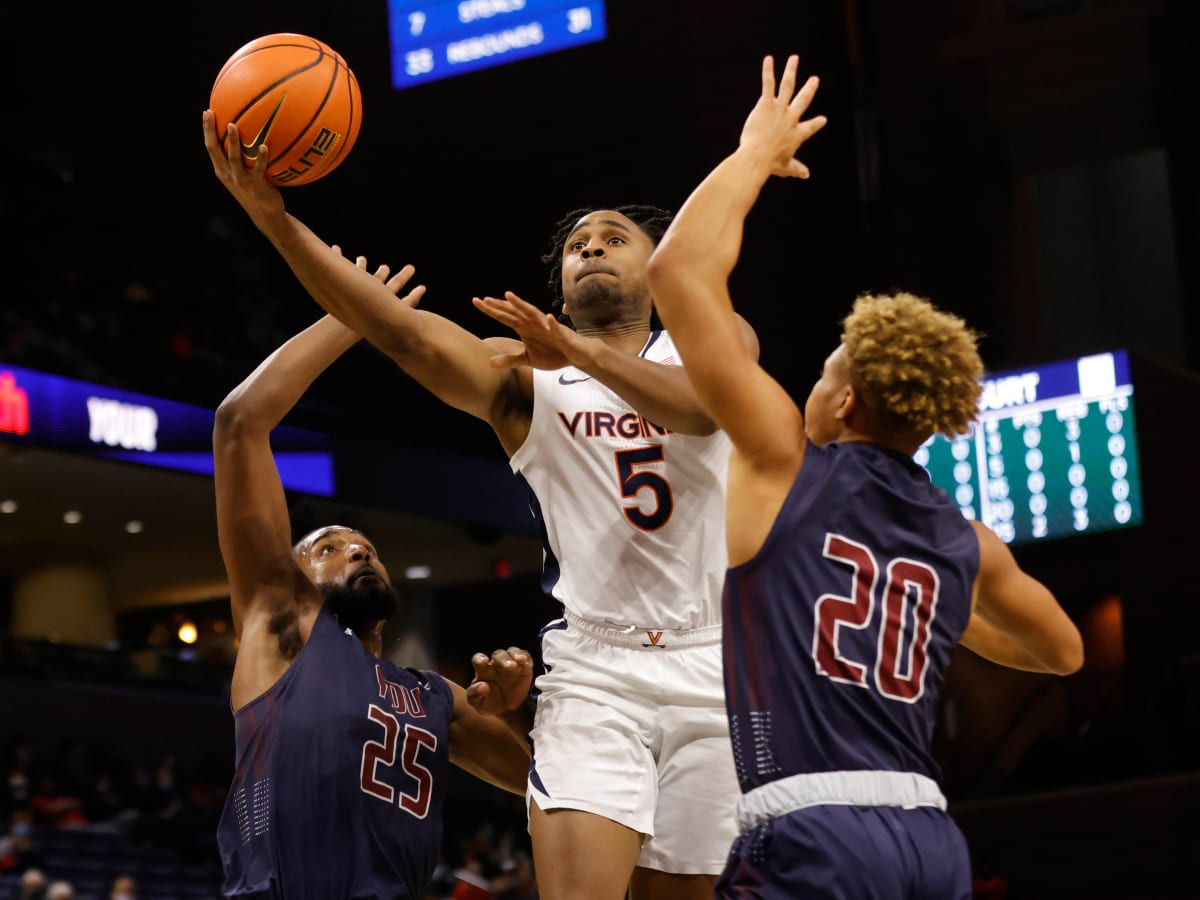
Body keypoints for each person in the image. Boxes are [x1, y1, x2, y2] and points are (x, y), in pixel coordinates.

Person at [203, 110, 757, 900]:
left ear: (661, 267)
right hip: (595, 665)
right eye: (575, 246)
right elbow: (400, 332)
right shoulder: (526, 379)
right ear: (559, 288)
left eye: (611, 238)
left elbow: (701, 408)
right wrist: (280, 223)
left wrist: (582, 351)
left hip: (713, 658)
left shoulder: (713, 336)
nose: (591, 248)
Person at [644, 55, 1086, 897]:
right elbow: (1063, 650)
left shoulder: (783, 460)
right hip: (929, 834)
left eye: (819, 372)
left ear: (844, 403)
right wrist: (935, 618)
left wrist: (753, 155)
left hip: (811, 829)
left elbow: (675, 273)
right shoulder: (966, 541)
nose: (807, 386)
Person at [210, 270, 536, 899]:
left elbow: (545, 782)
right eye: (327, 548)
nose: (357, 548)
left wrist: (513, 705)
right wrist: (355, 312)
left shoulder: (434, 695)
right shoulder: (282, 624)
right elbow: (238, 422)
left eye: (366, 547)